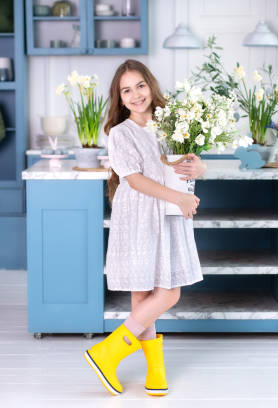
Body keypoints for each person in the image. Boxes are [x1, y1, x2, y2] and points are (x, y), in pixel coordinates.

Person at [83, 59, 207, 397]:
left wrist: (199, 168)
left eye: (140, 85)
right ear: (120, 99)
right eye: (127, 90)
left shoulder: (173, 123)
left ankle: (109, 352)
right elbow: (135, 180)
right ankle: (153, 368)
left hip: (169, 210)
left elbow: (188, 162)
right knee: (146, 290)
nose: (136, 94)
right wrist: (178, 199)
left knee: (166, 289)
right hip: (138, 212)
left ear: (150, 86)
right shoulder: (120, 134)